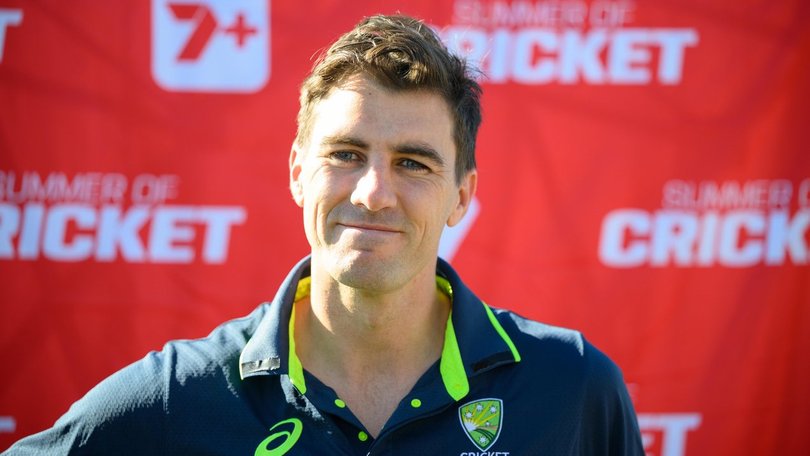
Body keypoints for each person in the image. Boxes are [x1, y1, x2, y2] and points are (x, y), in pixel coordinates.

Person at [4, 14, 644, 455]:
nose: (372, 192)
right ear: (296, 174)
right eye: (345, 154)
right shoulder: (177, 396)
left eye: (413, 163)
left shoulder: (572, 388)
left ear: (463, 196)